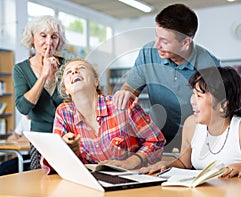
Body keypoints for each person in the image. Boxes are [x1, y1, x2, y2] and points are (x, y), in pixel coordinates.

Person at [140, 66, 241, 177]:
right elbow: (184, 163)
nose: (192, 101)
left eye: (199, 96)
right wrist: (166, 165)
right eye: (193, 94)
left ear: (223, 104)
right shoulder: (191, 125)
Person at [112, 4, 221, 152]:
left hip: (197, 139)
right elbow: (130, 89)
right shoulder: (148, 53)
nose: (157, 45)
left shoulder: (209, 64)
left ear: (185, 42)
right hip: (157, 137)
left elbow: (216, 114)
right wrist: (123, 95)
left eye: (164, 41)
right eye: (156, 36)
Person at [42, 59, 165, 171]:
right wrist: (63, 148)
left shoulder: (121, 105)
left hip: (133, 180)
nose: (74, 71)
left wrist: (131, 161)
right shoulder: (64, 113)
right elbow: (52, 161)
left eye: (81, 68)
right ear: (66, 89)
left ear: (96, 81)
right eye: (69, 72)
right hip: (93, 184)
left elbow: (156, 141)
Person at [13, 15, 67, 170]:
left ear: (59, 41)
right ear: (32, 38)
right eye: (43, 36)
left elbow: (75, 105)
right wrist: (44, 75)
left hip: (67, 138)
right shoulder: (21, 69)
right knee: (40, 186)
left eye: (54, 37)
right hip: (40, 142)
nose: (49, 42)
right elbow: (23, 108)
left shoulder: (67, 67)